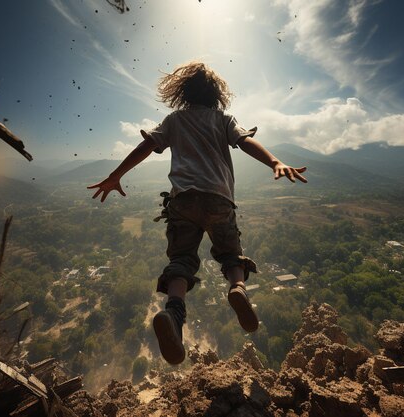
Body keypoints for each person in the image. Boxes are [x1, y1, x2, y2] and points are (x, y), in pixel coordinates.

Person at [88, 62, 307, 365]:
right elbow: (245, 142)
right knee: (230, 253)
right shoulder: (224, 119)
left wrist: (116, 175)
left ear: (182, 93)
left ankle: (173, 314)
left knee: (182, 260)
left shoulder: (174, 120)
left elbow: (147, 145)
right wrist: (274, 162)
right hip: (219, 200)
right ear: (216, 94)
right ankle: (238, 288)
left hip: (183, 202)